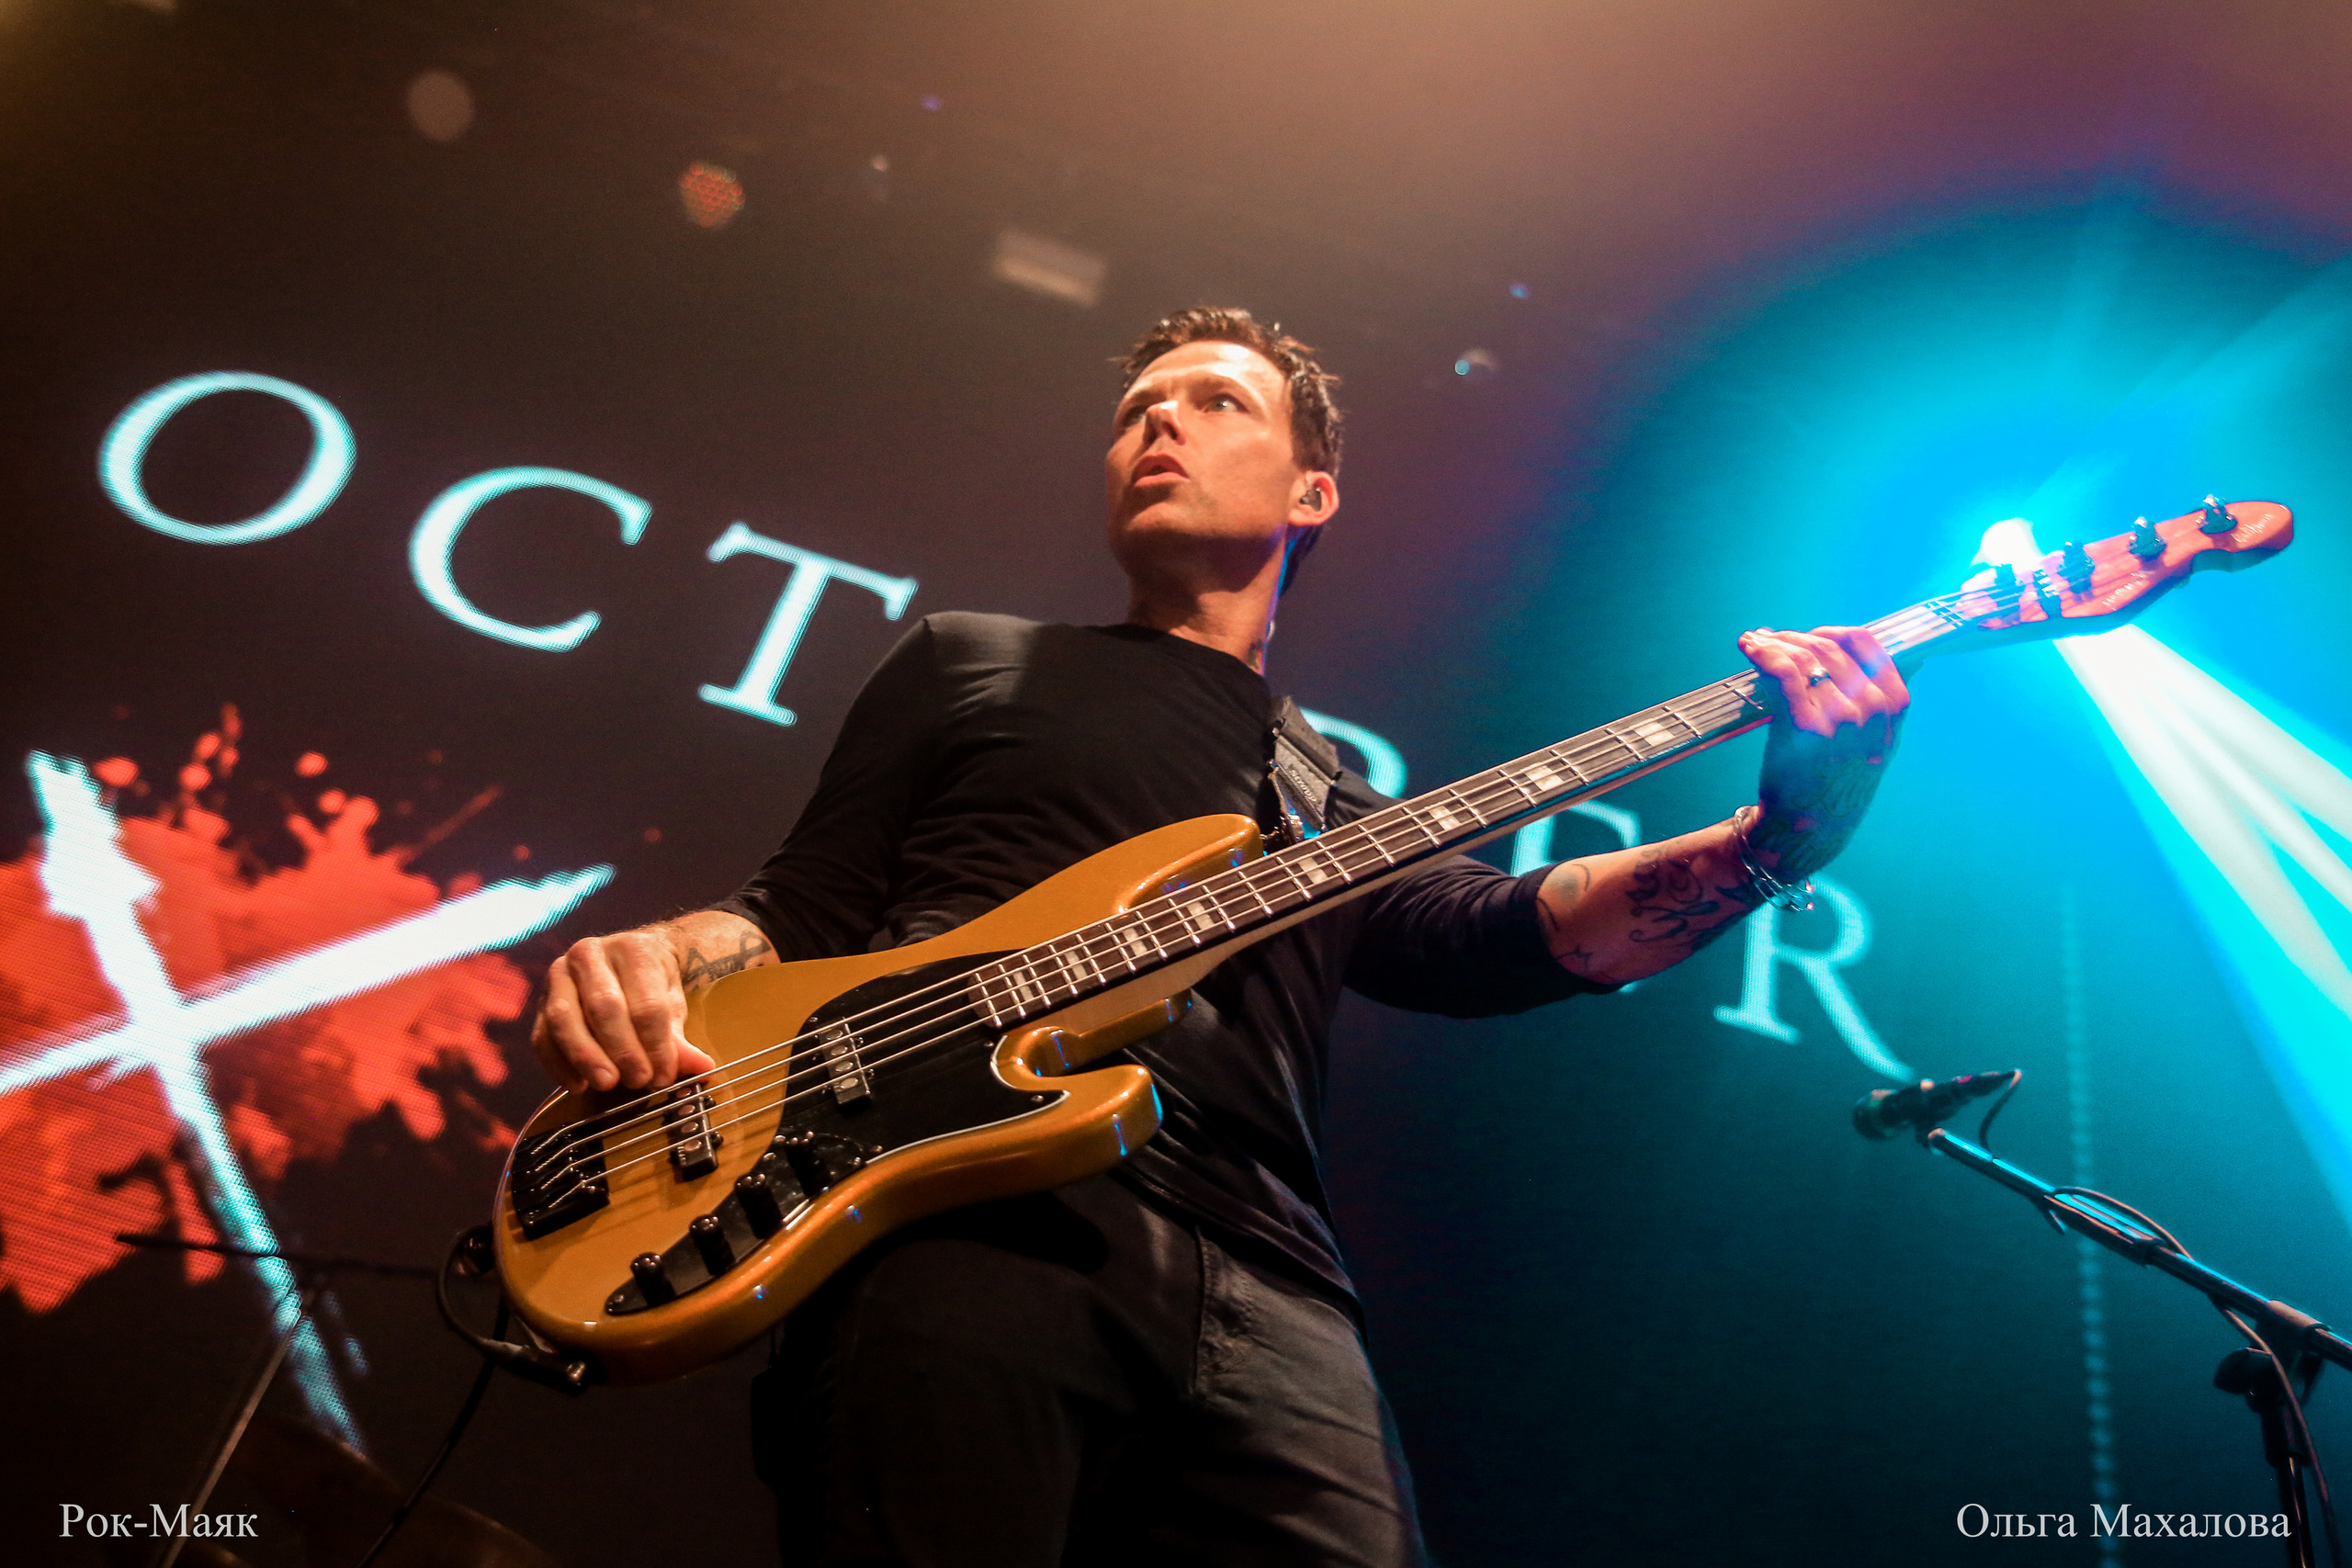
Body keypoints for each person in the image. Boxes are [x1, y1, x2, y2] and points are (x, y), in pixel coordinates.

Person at [527, 307, 1908, 1566]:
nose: (1160, 425)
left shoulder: (1328, 800)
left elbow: (1519, 938)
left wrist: (1790, 832)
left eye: (1213, 403)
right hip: (963, 1228)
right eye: (1139, 410)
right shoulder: (973, 659)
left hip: (1277, 1290)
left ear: (1313, 495)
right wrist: (662, 952)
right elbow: (800, 907)